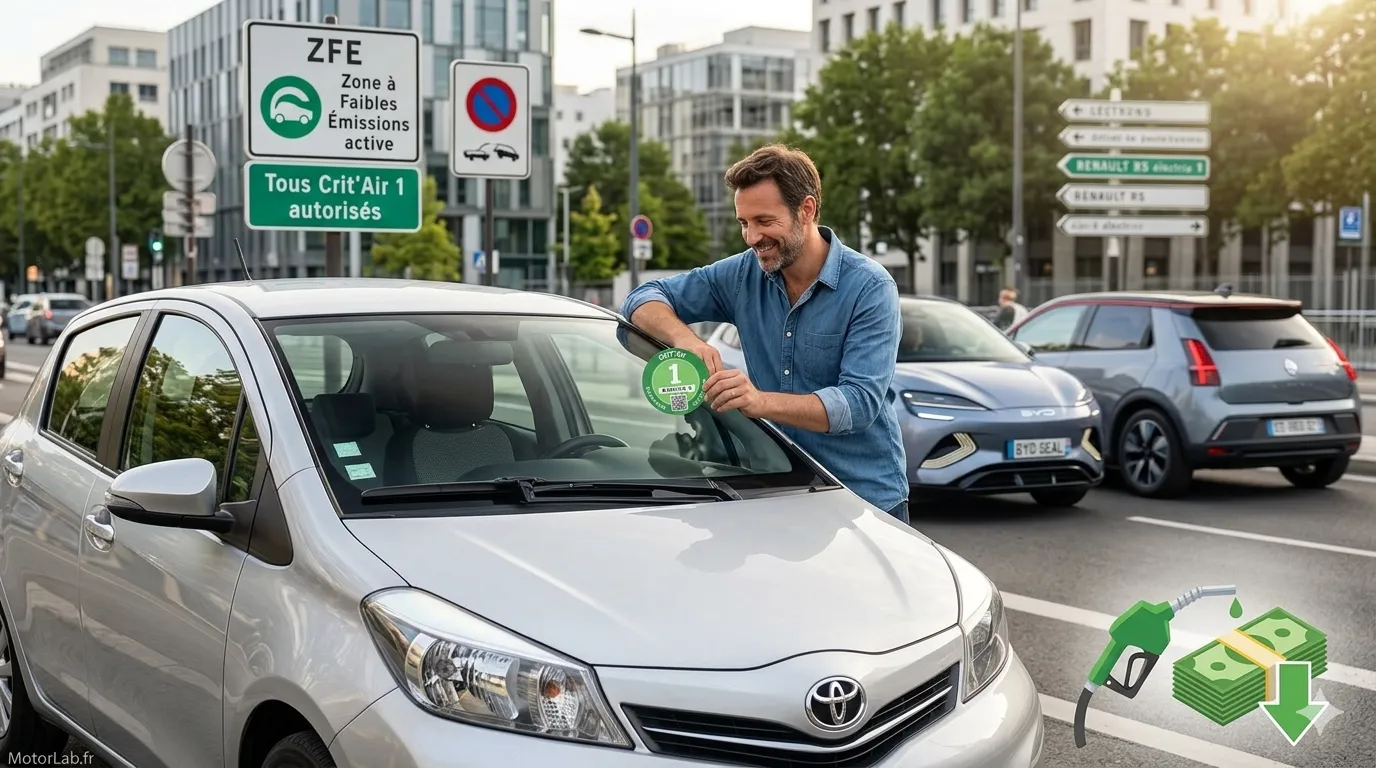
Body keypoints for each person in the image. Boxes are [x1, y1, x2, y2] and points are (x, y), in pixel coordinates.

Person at [620, 144, 910, 523]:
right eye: (744, 223)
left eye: (764, 221)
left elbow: (858, 403)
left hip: (864, 500)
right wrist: (685, 339)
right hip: (776, 490)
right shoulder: (742, 274)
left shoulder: (870, 288)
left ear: (805, 210)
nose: (752, 236)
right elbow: (643, 298)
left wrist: (758, 402)